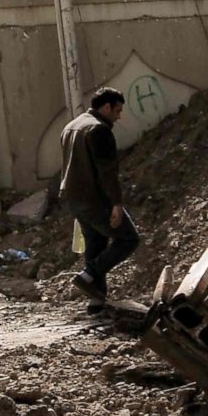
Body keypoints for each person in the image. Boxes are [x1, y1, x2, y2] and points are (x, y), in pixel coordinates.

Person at [58, 86, 137, 302]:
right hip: (94, 199)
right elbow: (107, 172)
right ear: (106, 107)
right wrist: (117, 204)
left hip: (73, 199)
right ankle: (88, 275)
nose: (118, 117)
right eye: (117, 111)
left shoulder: (71, 126)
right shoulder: (99, 130)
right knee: (129, 239)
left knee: (95, 244)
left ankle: (96, 302)